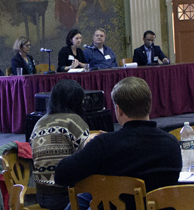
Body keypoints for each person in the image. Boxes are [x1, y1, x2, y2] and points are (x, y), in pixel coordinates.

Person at [54, 77, 182, 209]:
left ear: (119, 110)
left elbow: (61, 175)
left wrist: (87, 146)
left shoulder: (104, 145)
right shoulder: (172, 144)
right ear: (149, 105)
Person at [29, 79, 89, 210]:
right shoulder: (74, 122)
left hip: (41, 195)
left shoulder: (39, 122)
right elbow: (88, 157)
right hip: (66, 197)